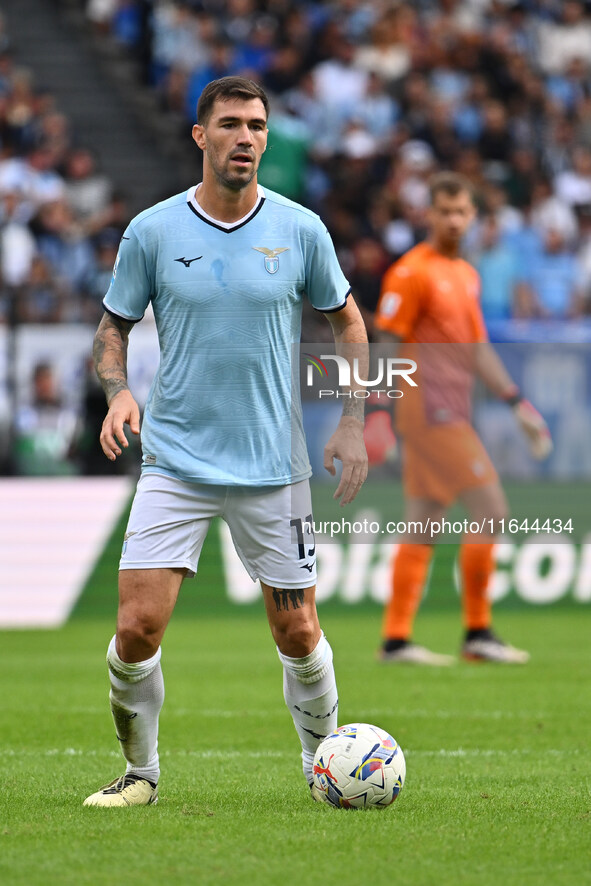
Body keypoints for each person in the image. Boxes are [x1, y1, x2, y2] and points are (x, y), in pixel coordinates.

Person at [83, 77, 368, 807]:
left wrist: (351, 420)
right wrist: (118, 390)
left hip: (273, 466)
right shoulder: (152, 231)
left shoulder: (301, 229)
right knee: (137, 627)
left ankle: (324, 771)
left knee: (299, 632)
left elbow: (348, 323)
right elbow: (113, 327)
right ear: (200, 136)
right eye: (232, 124)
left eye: (258, 126)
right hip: (175, 460)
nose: (247, 138)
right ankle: (140, 774)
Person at [368, 172, 551, 666]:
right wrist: (378, 411)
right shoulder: (411, 272)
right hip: (428, 409)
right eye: (443, 210)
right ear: (429, 214)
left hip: (452, 409)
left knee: (424, 520)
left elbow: (477, 350)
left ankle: (396, 640)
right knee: (491, 508)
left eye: (461, 212)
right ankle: (477, 630)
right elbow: (386, 343)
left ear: (473, 217)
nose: (452, 220)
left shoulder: (465, 274)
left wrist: (517, 403)